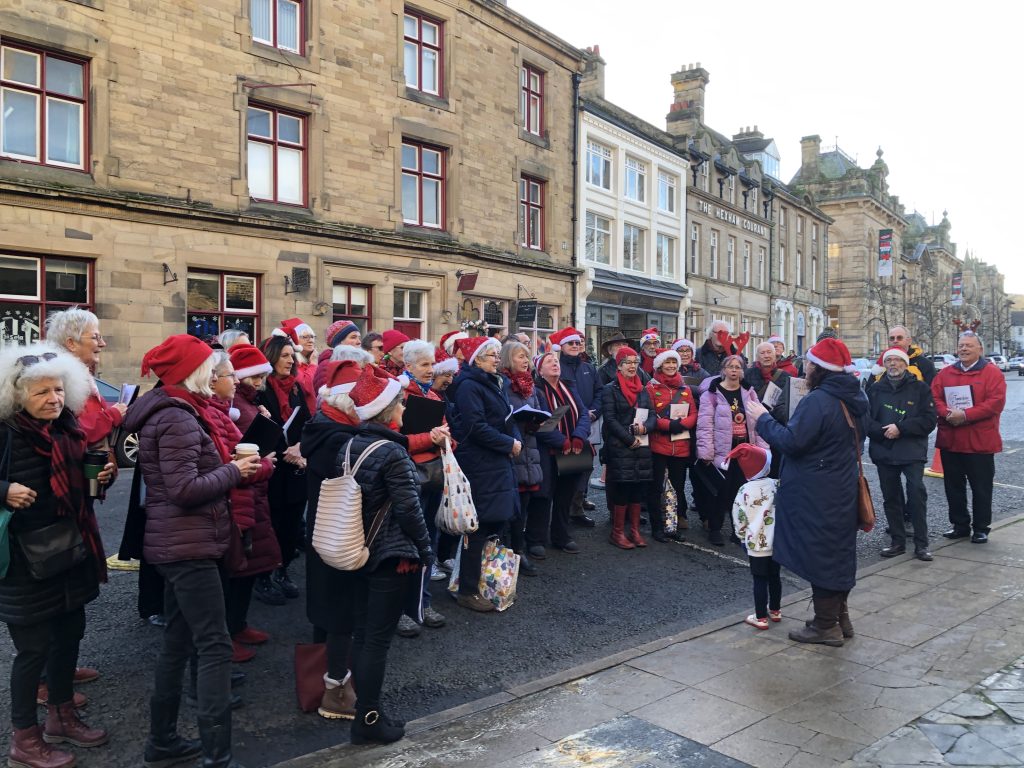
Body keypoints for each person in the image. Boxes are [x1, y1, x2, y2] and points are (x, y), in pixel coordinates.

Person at [125, 334, 262, 768]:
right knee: (214, 647)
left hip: (178, 543)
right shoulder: (179, 418)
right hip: (189, 545)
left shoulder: (172, 410)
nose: (222, 374)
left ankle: (162, 743)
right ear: (195, 372)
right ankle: (217, 759)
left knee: (178, 642)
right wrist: (233, 471)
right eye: (211, 366)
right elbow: (184, 490)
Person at [0, 345, 113, 768]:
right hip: (22, 564)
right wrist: (3, 491)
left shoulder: (67, 429)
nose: (55, 399)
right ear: (16, 397)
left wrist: (101, 475)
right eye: (42, 392)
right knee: (33, 651)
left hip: (70, 552)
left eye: (59, 389)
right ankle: (24, 740)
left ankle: (61, 716)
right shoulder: (5, 431)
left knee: (69, 636)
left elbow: (82, 484)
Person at [746, 337, 867, 647]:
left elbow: (792, 441)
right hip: (841, 487)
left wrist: (762, 418)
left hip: (818, 491)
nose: (806, 368)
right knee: (839, 553)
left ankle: (826, 626)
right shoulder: (854, 396)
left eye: (811, 364)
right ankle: (839, 618)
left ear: (821, 368)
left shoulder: (818, 401)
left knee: (820, 555)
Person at [343, 366, 434, 745]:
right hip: (391, 552)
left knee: (363, 635)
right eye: (400, 402)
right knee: (377, 641)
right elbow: (409, 510)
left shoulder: (350, 444)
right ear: (387, 410)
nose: (404, 407)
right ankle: (368, 718)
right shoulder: (394, 452)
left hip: (357, 547)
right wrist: (427, 549)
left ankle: (366, 713)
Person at [299, 359, 364, 721]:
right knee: (339, 609)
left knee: (326, 605)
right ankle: (335, 687)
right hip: (338, 531)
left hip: (325, 528)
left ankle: (326, 668)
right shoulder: (339, 438)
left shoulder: (324, 428)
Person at [206, 350, 278, 663]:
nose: (235, 380)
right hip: (236, 500)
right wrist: (264, 465)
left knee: (247, 566)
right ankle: (225, 636)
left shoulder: (227, 409)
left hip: (250, 498)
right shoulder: (213, 413)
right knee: (231, 572)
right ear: (212, 380)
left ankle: (236, 625)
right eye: (229, 375)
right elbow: (233, 464)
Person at [446, 336, 521, 612]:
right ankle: (466, 589)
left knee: (492, 523)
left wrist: (513, 437)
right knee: (476, 527)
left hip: (494, 460)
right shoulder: (468, 386)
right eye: (492, 355)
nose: (497, 359)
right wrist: (508, 443)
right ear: (476, 358)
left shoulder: (490, 382)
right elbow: (475, 426)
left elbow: (505, 417)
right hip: (480, 462)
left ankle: (483, 581)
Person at [394, 340, 449, 637]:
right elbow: (397, 441)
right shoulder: (399, 396)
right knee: (406, 543)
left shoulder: (432, 394)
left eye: (432, 364)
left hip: (434, 475)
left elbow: (447, 431)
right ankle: (401, 609)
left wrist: (446, 439)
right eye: (425, 365)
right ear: (409, 366)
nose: (431, 370)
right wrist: (432, 438)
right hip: (408, 477)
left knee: (429, 539)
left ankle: (422, 603)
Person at [932, 331, 1006, 544]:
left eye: (969, 346)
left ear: (979, 350)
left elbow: (995, 403)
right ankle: (959, 525)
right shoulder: (945, 373)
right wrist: (947, 413)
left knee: (981, 488)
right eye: (961, 345)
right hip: (951, 441)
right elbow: (935, 397)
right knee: (953, 486)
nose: (963, 349)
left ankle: (981, 528)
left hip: (979, 442)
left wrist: (965, 415)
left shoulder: (992, 374)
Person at [866, 347, 937, 561]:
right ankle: (897, 541)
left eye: (898, 360)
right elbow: (865, 420)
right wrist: (883, 432)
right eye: (889, 361)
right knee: (891, 497)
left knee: (916, 493)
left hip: (911, 450)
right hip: (884, 450)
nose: (893, 364)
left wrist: (901, 428)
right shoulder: (875, 390)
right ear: (885, 364)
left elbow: (929, 419)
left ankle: (921, 544)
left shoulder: (920, 388)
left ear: (906, 364)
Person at [256, 335, 310, 603]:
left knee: (290, 525)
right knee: (271, 524)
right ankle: (264, 575)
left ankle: (283, 570)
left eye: (292, 356)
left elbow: (307, 422)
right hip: (274, 467)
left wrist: (300, 448)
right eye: (286, 355)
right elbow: (260, 430)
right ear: (272, 356)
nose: (291, 360)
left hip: (296, 467)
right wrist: (285, 452)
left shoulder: (297, 388)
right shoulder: (261, 390)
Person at [501, 341, 563, 574]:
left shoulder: (531, 388)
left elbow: (542, 418)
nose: (525, 360)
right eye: (519, 356)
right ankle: (505, 554)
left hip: (530, 451)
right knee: (509, 508)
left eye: (527, 356)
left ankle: (519, 552)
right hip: (513, 451)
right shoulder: (503, 386)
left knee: (524, 508)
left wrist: (537, 423)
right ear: (508, 359)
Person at [696, 355, 769, 546]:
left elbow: (758, 422)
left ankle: (737, 530)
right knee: (719, 491)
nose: (734, 370)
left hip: (745, 450)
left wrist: (763, 448)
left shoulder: (749, 393)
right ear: (723, 370)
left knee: (740, 492)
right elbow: (705, 425)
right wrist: (706, 451)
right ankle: (715, 528)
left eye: (738, 367)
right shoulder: (710, 394)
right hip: (723, 451)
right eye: (731, 367)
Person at [533, 351, 591, 555]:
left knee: (565, 494)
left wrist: (578, 436)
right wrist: (561, 440)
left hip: (572, 448)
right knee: (544, 495)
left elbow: (583, 413)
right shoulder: (537, 390)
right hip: (548, 450)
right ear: (539, 370)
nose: (555, 363)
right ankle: (536, 539)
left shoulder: (569, 386)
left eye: (556, 361)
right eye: (549, 362)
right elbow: (539, 423)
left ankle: (561, 535)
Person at [601, 347, 655, 549]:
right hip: (620, 446)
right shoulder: (610, 389)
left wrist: (646, 427)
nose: (632, 366)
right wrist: (628, 439)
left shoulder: (643, 389)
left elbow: (651, 415)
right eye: (628, 362)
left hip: (641, 444)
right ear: (619, 366)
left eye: (635, 362)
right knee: (622, 489)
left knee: (637, 489)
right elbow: (610, 420)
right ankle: (617, 533)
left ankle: (634, 531)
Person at [645, 348, 698, 541]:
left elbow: (693, 413)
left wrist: (682, 424)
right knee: (656, 488)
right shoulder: (651, 388)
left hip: (680, 446)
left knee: (677, 488)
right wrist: (669, 425)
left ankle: (671, 526)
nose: (670, 366)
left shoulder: (685, 389)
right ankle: (657, 527)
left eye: (673, 363)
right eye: (667, 363)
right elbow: (649, 415)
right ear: (659, 365)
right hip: (659, 445)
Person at [727, 444, 781, 630]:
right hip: (777, 540)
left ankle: (760, 617)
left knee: (759, 579)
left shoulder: (744, 490)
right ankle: (775, 610)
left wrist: (742, 536)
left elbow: (739, 517)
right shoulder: (776, 484)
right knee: (775, 575)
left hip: (755, 542)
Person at [550, 327, 599, 526]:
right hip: (565, 426)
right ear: (561, 346)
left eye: (578, 342)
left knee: (585, 468)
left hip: (589, 423)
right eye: (571, 343)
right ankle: (559, 511)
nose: (576, 346)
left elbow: (600, 392)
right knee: (564, 469)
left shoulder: (589, 368)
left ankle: (576, 509)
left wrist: (594, 411)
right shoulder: (555, 366)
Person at [745, 342, 792, 479]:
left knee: (776, 468)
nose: (766, 356)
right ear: (757, 356)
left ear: (775, 355)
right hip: (754, 428)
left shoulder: (786, 376)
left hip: (776, 427)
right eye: (762, 353)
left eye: (769, 352)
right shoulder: (748, 375)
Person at [867, 326, 936, 387]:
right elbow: (869, 390)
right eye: (892, 338)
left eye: (899, 338)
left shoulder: (924, 363)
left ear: (909, 341)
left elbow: (932, 392)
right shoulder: (881, 364)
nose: (895, 341)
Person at [275, 318, 319, 407]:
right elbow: (305, 387)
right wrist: (313, 364)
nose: (310, 340)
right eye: (305, 337)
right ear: (294, 341)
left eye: (312, 336)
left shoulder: (310, 361)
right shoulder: (293, 362)